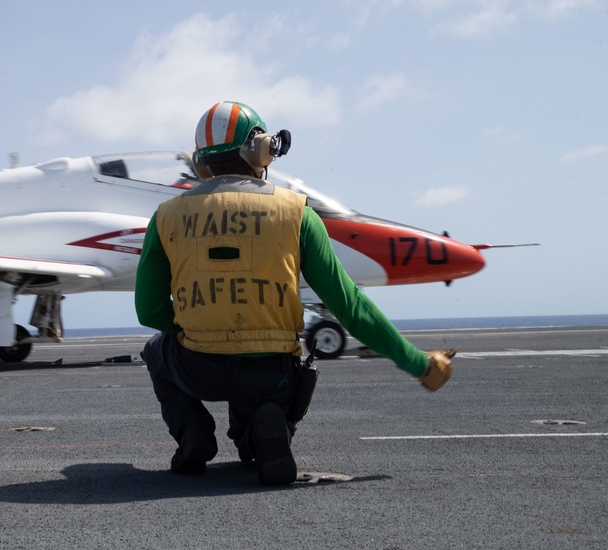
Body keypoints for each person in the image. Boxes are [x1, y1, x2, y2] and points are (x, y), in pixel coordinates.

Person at [135, 101, 454, 485]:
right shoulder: (298, 213)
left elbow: (149, 310)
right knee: (265, 394)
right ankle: (264, 434)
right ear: (261, 149)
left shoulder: (165, 216)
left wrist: (195, 327)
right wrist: (419, 364)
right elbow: (349, 306)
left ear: (202, 161)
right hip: (271, 374)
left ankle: (193, 433)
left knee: (156, 350)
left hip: (198, 368)